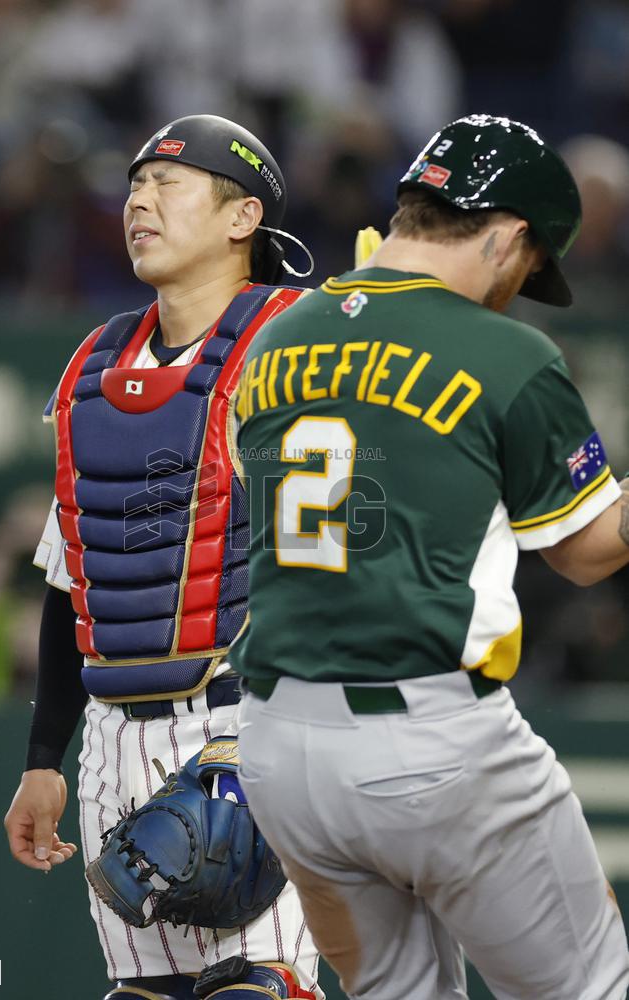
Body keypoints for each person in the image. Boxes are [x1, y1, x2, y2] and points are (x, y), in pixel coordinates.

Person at [231, 114, 629, 1000]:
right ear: (511, 235)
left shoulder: (275, 338)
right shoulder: (506, 354)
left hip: (278, 745)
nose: (524, 285)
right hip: (432, 744)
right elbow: (587, 553)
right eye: (532, 264)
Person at [3, 114, 321, 1000]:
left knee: (262, 986)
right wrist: (42, 758)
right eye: (135, 185)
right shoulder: (94, 366)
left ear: (241, 217)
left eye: (168, 184)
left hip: (246, 720)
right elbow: (76, 581)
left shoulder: (296, 346)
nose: (139, 200)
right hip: (110, 738)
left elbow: (341, 561)